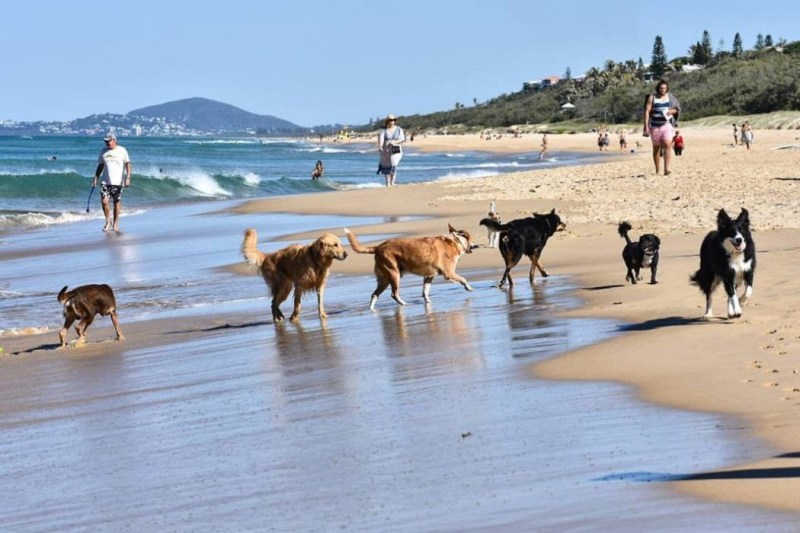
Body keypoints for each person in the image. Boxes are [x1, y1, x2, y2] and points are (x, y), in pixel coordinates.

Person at [92, 132, 131, 232]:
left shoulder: (122, 150)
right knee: (104, 202)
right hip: (106, 181)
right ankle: (108, 221)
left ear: (114, 140)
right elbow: (100, 166)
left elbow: (128, 164)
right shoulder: (103, 151)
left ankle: (116, 223)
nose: (107, 143)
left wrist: (128, 177)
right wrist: (96, 178)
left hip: (118, 182)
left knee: (116, 202)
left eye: (108, 141)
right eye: (105, 142)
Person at [643, 79, 681, 176]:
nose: (662, 90)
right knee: (656, 148)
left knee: (668, 144)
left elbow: (677, 109)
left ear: (667, 89)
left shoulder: (670, 97)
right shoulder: (652, 97)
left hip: (667, 125)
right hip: (655, 126)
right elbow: (647, 111)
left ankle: (666, 169)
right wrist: (646, 126)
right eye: (661, 88)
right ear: (658, 88)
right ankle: (657, 170)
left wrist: (672, 111)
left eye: (664, 88)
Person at [377, 114, 405, 187]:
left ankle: (392, 182)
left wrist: (394, 142)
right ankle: (387, 183)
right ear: (387, 121)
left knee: (393, 163)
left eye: (393, 120)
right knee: (386, 165)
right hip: (386, 149)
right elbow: (381, 138)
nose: (391, 121)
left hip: (396, 149)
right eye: (390, 120)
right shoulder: (384, 130)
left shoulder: (399, 129)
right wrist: (380, 146)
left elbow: (402, 139)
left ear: (395, 121)